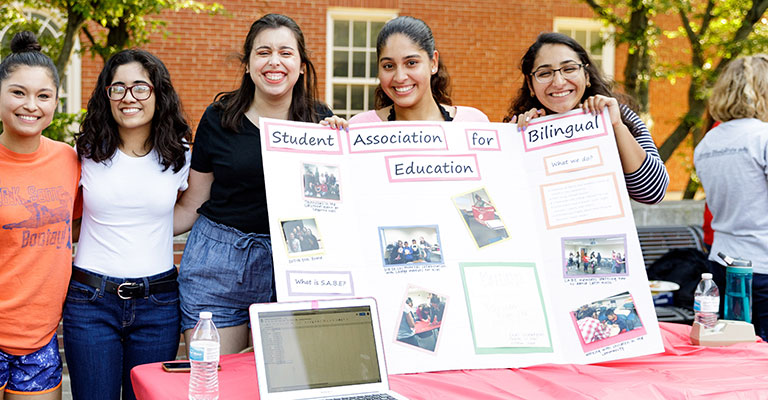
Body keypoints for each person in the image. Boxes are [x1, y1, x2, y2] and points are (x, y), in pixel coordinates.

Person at [173, 14, 340, 355]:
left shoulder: (322, 123)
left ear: (301, 66)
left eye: (285, 52)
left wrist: (342, 149)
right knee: (217, 380)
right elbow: (192, 204)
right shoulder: (219, 118)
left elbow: (336, 206)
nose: (274, 61)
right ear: (248, 65)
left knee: (288, 383)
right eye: (263, 52)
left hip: (297, 265)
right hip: (218, 265)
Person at [0, 32, 80, 400]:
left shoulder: (70, 160)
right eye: (18, 92)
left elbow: (75, 223)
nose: (31, 105)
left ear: (56, 101)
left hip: (41, 337)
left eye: (43, 96)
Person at [64, 48, 191, 400]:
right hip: (91, 301)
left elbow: (191, 208)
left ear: (158, 93)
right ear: (107, 95)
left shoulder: (180, 155)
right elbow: (66, 220)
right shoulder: (84, 153)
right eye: (117, 88)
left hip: (158, 304)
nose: (128, 97)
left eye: (140, 87)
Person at [508, 32, 669, 204]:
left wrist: (616, 125)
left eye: (569, 69)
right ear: (530, 83)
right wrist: (512, 144)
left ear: (586, 76)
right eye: (545, 73)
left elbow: (653, 192)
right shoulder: (520, 128)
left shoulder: (618, 116)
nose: (559, 82)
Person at [694, 54, 768, 341]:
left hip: (722, 263)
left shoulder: (708, 142)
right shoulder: (762, 136)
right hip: (762, 264)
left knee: (736, 355)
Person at [348, 16, 489, 124]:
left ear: (433, 63)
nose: (400, 77)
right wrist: (331, 138)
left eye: (411, 63)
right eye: (388, 66)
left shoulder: (474, 122)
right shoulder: (359, 127)